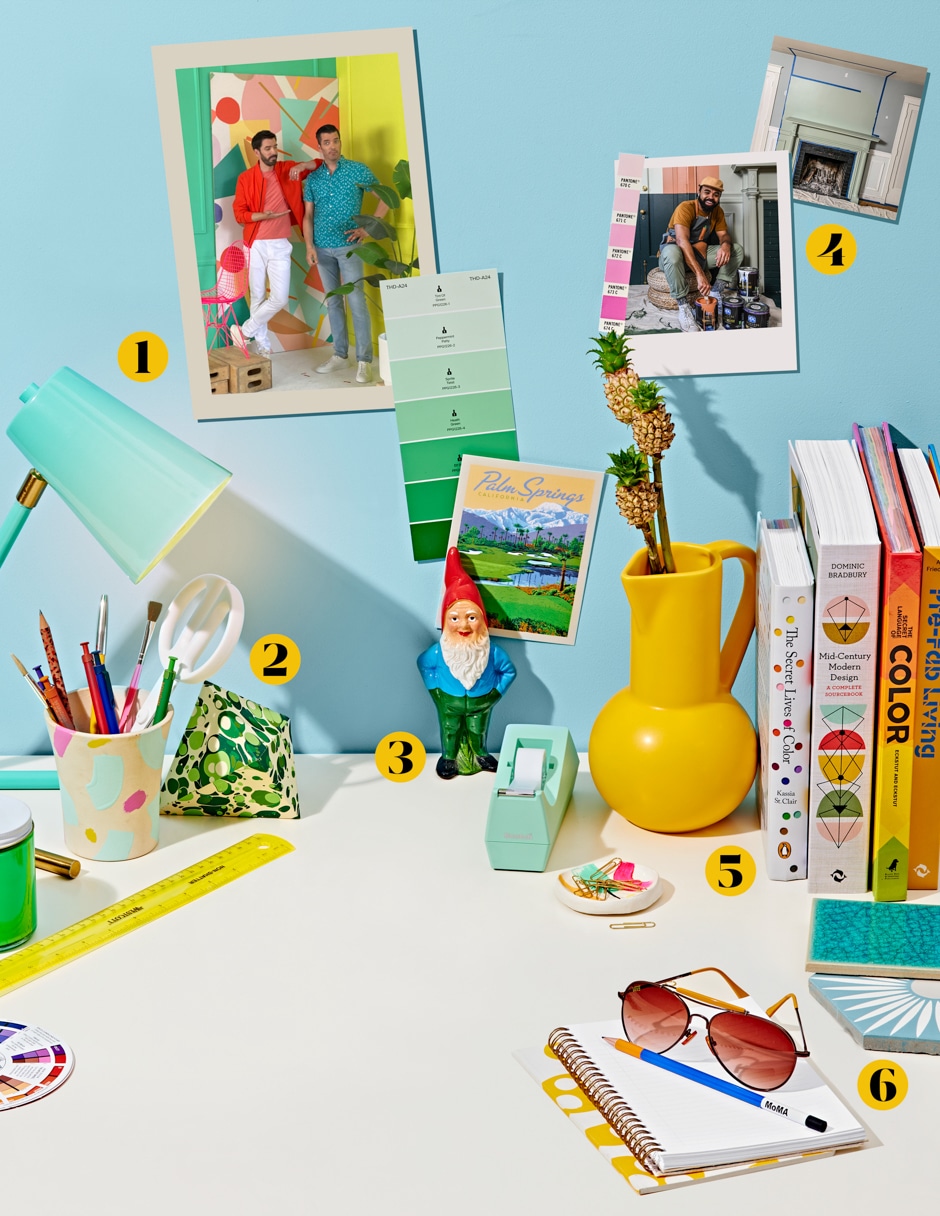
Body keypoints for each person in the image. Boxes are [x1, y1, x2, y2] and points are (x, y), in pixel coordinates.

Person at [417, 548, 516, 780]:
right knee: (449, 729)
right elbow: (424, 664)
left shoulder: (491, 652)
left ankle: (481, 754)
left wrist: (494, 695)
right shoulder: (439, 651)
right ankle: (449, 757)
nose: (463, 625)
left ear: (482, 619)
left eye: (471, 617)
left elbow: (508, 671)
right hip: (448, 702)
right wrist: (436, 692)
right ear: (445, 620)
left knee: (477, 729)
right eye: (454, 618)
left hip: (480, 702)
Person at [302, 124, 389, 384]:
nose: (333, 146)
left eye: (336, 141)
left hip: (349, 247)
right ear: (319, 147)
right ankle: (340, 355)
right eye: (326, 142)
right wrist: (308, 246)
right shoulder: (313, 178)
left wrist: (369, 227)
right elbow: (307, 215)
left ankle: (364, 361)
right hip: (321, 248)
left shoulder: (357, 170)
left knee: (356, 303)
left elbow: (385, 198)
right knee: (333, 302)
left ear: (340, 142)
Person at [231, 130, 317, 355]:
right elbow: (240, 214)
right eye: (268, 149)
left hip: (280, 244)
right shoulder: (246, 178)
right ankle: (263, 345)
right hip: (256, 243)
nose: (273, 152)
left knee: (278, 298)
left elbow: (318, 163)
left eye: (275, 147)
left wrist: (303, 166)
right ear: (257, 152)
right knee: (257, 295)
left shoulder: (287, 170)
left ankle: (244, 331)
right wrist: (263, 216)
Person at [658, 177, 744, 333]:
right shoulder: (686, 207)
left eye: (716, 194)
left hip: (698, 254)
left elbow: (724, 234)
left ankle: (716, 292)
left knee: (736, 249)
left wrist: (725, 245)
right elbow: (681, 241)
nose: (711, 197)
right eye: (707, 192)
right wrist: (700, 274)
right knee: (672, 252)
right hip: (675, 256)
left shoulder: (717, 212)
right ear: (699, 191)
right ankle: (683, 307)